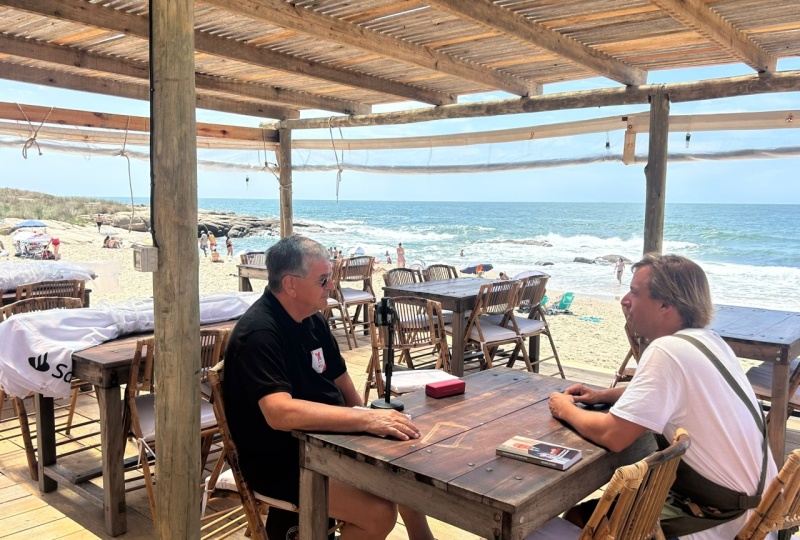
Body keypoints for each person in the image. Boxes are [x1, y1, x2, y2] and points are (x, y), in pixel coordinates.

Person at [539, 254, 776, 540]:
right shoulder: (708, 340)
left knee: (576, 519)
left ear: (665, 305)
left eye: (635, 293)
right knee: (582, 515)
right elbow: (673, 393)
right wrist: (602, 395)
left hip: (721, 518)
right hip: (762, 512)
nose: (625, 300)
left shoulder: (666, 351)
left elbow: (614, 435)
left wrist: (564, 408)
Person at [223, 236, 434, 540]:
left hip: (326, 442)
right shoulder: (259, 333)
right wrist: (366, 419)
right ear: (291, 284)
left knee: (404, 465)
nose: (332, 286)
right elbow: (279, 413)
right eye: (323, 280)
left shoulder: (312, 320)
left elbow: (341, 380)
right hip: (281, 461)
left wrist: (372, 430)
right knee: (378, 513)